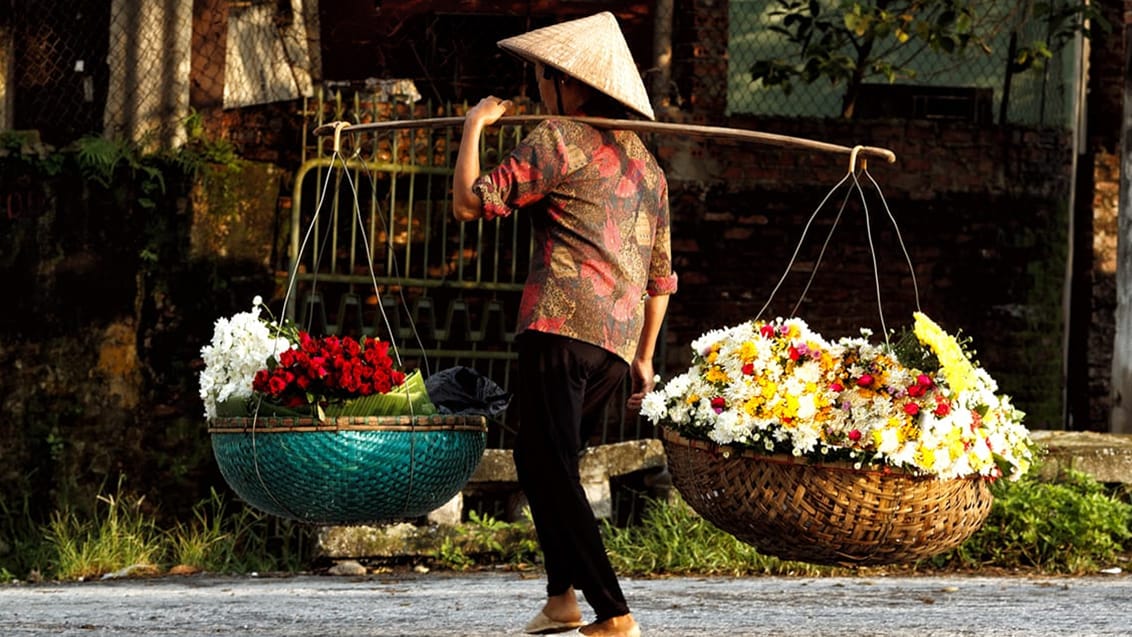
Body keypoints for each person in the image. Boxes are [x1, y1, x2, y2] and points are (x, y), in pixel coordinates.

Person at [452, 11, 677, 637]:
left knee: (552, 466)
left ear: (571, 86)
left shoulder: (559, 138)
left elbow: (471, 201)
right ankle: (561, 599)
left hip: (560, 331)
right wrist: (644, 357)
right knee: (540, 458)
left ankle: (614, 611)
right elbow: (660, 280)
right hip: (613, 345)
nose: (539, 89)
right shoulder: (649, 170)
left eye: (544, 78)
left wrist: (475, 126)